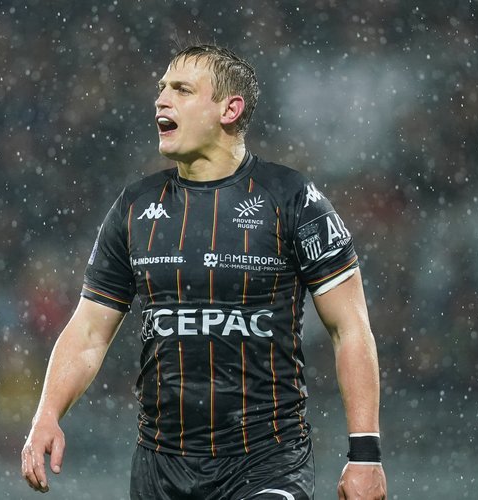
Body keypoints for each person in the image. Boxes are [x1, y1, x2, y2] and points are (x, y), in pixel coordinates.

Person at [21, 44, 387, 500]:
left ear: (229, 110)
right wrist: (47, 414)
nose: (161, 100)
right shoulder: (135, 207)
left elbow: (350, 328)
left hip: (266, 462)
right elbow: (90, 331)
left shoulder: (293, 199)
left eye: (182, 89)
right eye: (162, 89)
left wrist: (365, 453)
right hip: (161, 468)